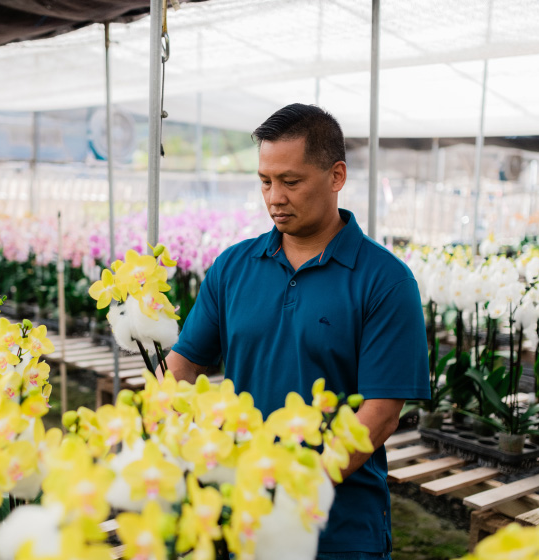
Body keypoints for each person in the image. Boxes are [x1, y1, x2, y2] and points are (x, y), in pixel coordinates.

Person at [163, 103, 430, 559]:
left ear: (336, 176)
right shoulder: (233, 267)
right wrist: (169, 429)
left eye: (290, 181)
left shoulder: (385, 280)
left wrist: (296, 491)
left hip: (337, 527)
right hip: (242, 514)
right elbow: (182, 366)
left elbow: (382, 412)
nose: (274, 197)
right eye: (265, 181)